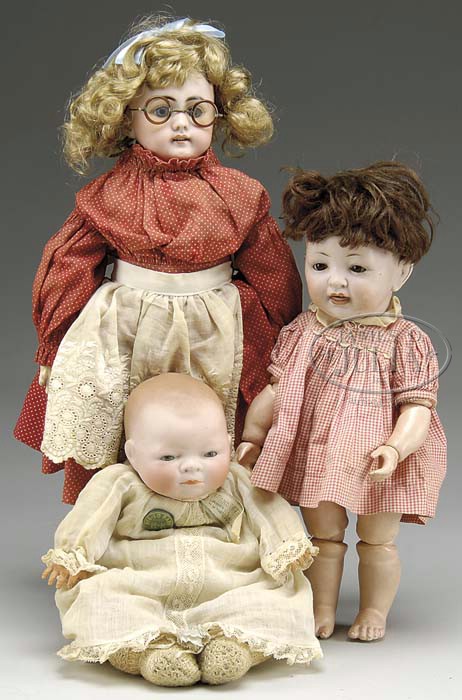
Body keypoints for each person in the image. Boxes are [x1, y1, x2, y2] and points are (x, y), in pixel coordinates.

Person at [14, 16, 301, 504]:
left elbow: (273, 274)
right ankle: (119, 513)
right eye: (161, 110)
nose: (181, 123)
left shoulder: (240, 194)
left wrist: (285, 345)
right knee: (119, 413)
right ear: (126, 118)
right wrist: (54, 342)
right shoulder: (107, 195)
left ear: (220, 115)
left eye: (198, 110)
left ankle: (214, 512)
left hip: (216, 326)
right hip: (127, 326)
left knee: (216, 416)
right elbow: (68, 267)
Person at [236, 162, 447, 641]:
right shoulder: (303, 331)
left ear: (402, 272)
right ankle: (322, 608)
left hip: (379, 460)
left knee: (377, 539)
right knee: (323, 537)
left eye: (356, 268)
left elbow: (418, 407)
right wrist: (253, 437)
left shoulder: (405, 340)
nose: (335, 282)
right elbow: (276, 391)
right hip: (319, 453)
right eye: (320, 265)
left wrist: (396, 447)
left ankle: (373, 610)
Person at [42, 374, 322, 687]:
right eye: (168, 457)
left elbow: (269, 511)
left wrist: (286, 545)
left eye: (210, 454)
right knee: (100, 599)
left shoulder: (237, 480)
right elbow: (90, 518)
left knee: (275, 599)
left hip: (231, 581)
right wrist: (73, 554)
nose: (191, 466)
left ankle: (235, 646)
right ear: (133, 454)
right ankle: (149, 653)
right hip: (140, 582)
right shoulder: (121, 483)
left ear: (228, 444)